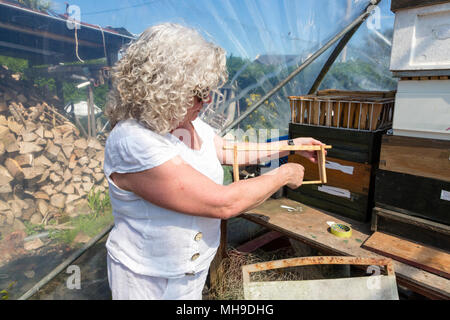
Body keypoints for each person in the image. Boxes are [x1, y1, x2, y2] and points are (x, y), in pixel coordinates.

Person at [103, 23, 324, 300]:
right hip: (147, 280)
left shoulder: (188, 124)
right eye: (197, 92)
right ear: (164, 88)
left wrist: (290, 146)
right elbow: (223, 202)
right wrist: (284, 174)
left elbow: (230, 150)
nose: (207, 99)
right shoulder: (133, 140)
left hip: (191, 274)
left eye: (207, 90)